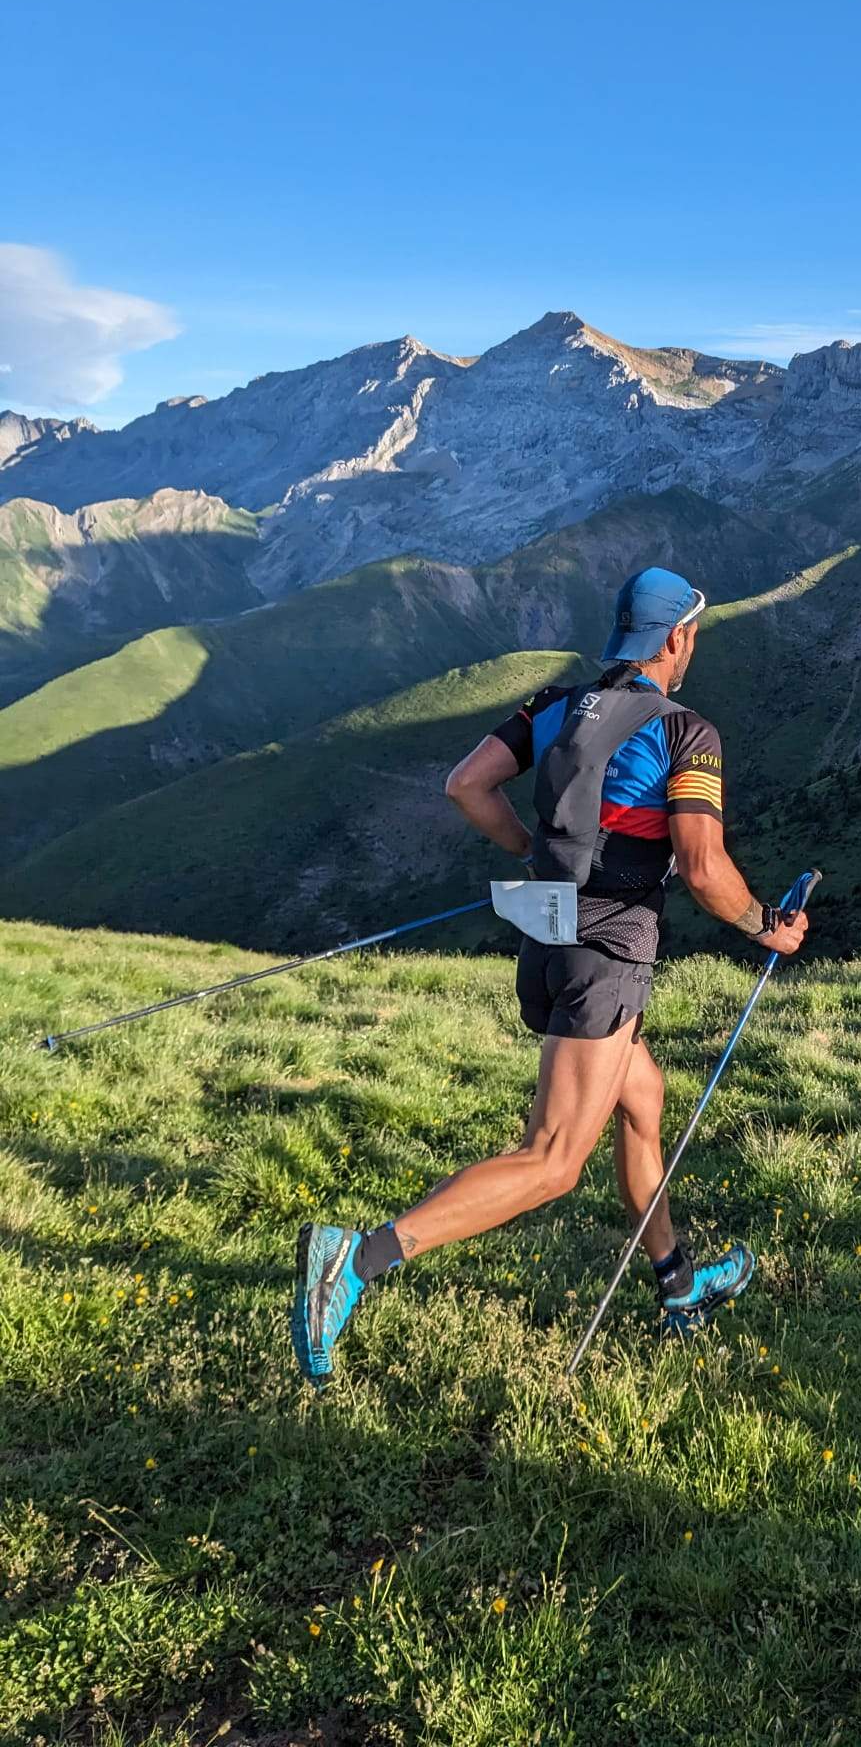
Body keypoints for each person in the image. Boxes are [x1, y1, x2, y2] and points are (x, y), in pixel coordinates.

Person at [291, 566, 808, 1383]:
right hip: (607, 958)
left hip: (548, 942)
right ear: (677, 639)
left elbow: (467, 785)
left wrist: (530, 855)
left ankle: (677, 1283)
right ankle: (356, 1259)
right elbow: (704, 869)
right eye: (693, 633)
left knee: (642, 1098)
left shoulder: (556, 705)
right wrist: (767, 929)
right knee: (553, 1160)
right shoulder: (687, 732)